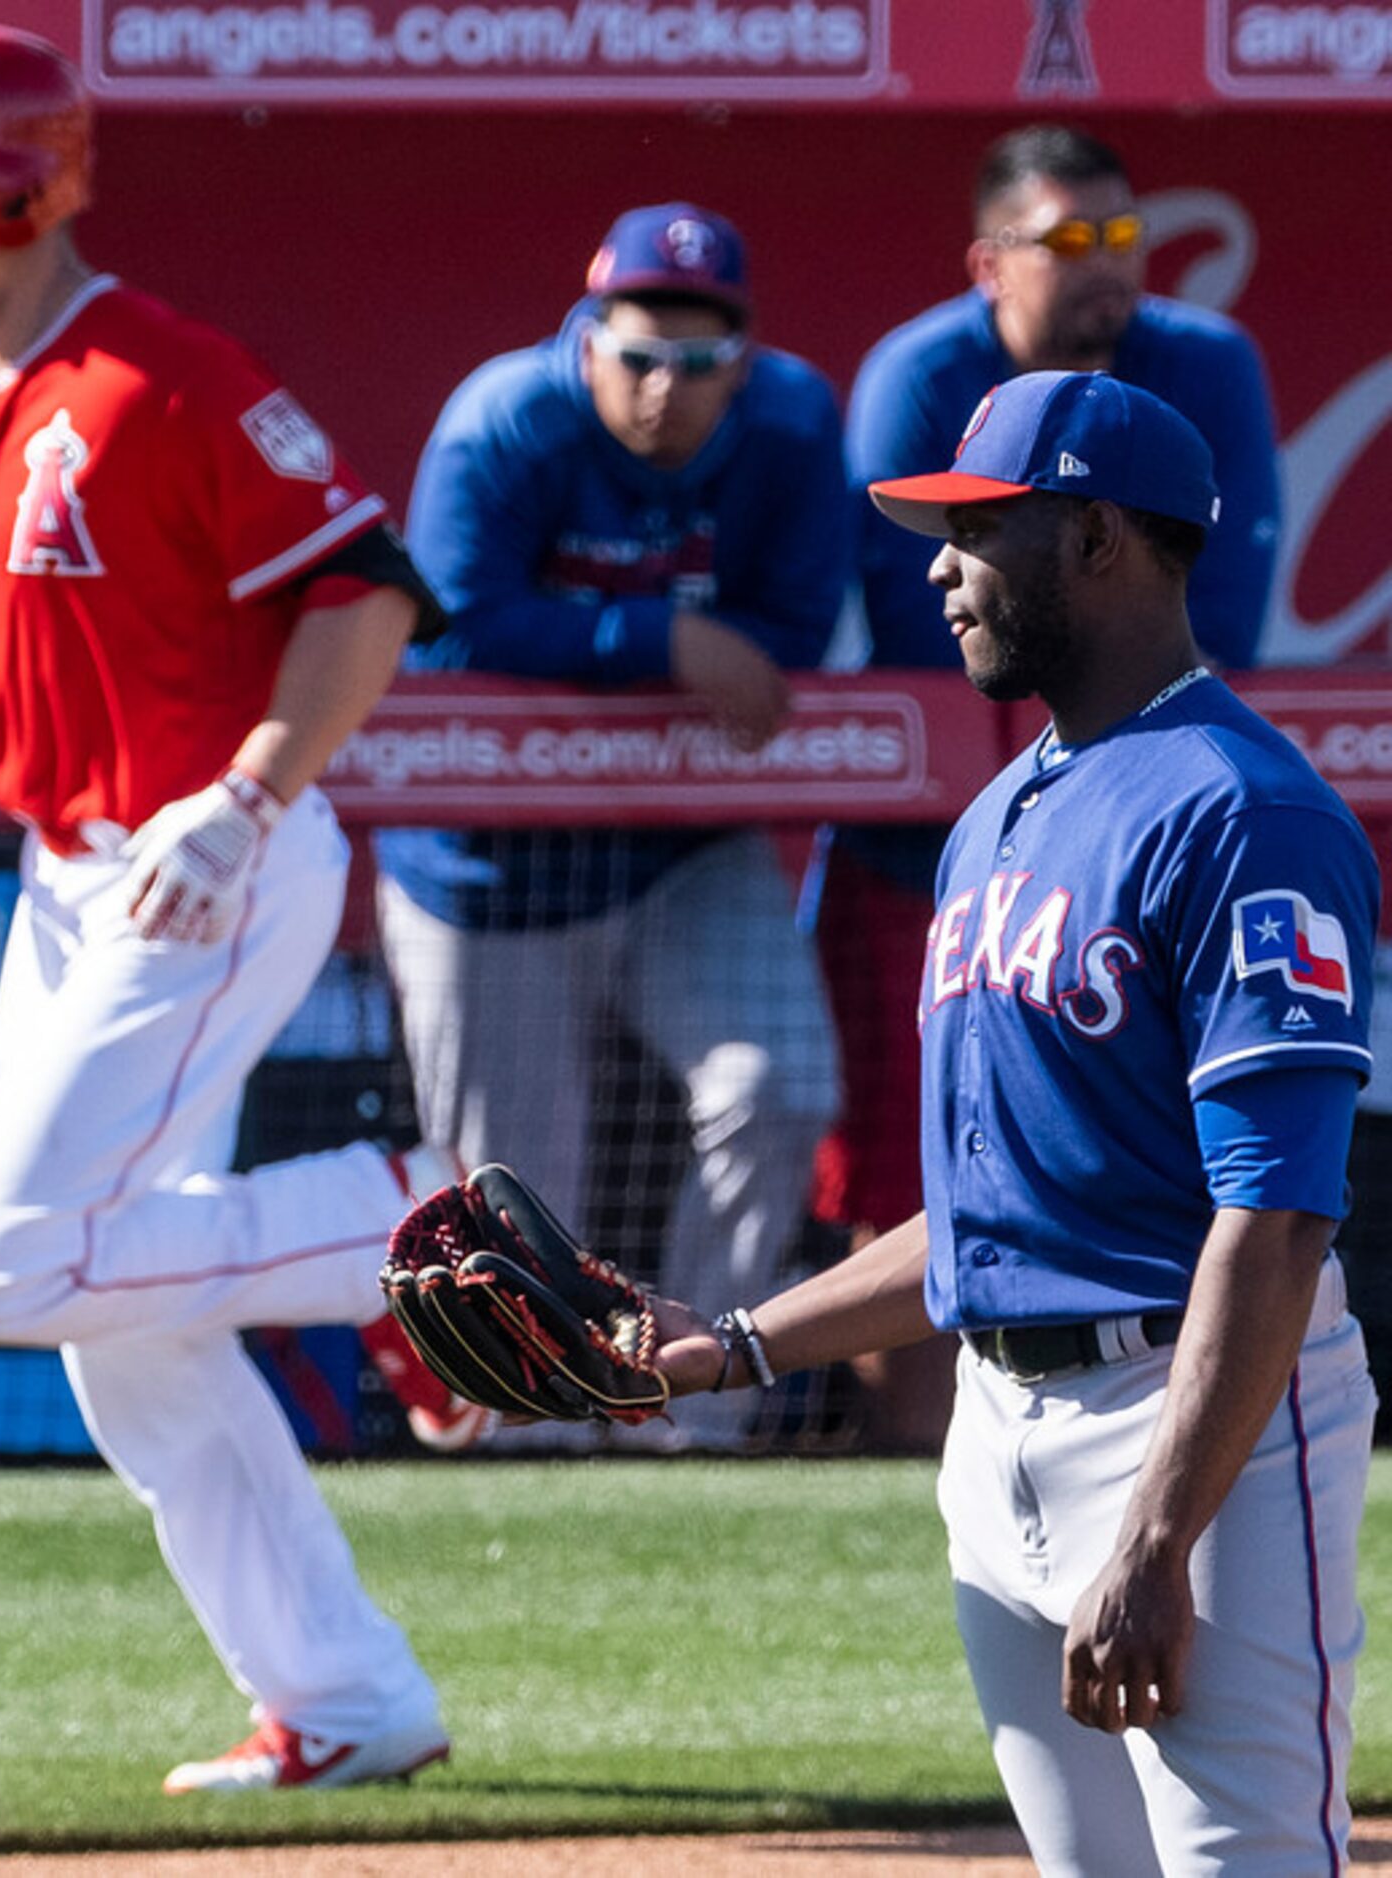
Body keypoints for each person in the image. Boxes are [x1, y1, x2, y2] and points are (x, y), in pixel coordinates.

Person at [0, 23, 454, 1793]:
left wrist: (251, 789)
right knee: (125, 1334)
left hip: (209, 858)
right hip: (66, 875)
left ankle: (412, 1223)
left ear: (12, 177)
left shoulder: (162, 373)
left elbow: (363, 597)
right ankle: (349, 1695)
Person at [646, 371, 1374, 1874]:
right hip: (995, 1429)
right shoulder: (998, 815)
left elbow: (1279, 1212)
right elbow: (987, 1217)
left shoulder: (1246, 812)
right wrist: (736, 1341)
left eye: (979, 527)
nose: (935, 565)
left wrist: (1159, 1537)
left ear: (1098, 538)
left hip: (1198, 1423)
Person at [821, 127, 1283, 1447]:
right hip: (937, 849)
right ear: (989, 261)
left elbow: (1218, 614)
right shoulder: (920, 371)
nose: (1105, 268)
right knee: (917, 1159)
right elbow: (914, 634)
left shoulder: (1239, 810)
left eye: (1120, 237)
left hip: (1134, 824)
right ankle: (908, 1471)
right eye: (1068, 242)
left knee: (1168, 1154)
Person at [380, 202, 846, 1449]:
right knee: (511, 1204)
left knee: (780, 1087)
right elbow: (453, 619)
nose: (663, 388)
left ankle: (682, 1408)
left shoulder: (793, 420)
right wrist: (663, 639)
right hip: (485, 869)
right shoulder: (507, 419)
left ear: (740, 360)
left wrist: (644, 653)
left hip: (674, 851)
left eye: (697, 364)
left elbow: (794, 631)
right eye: (636, 355)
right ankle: (532, 1444)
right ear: (587, 338)